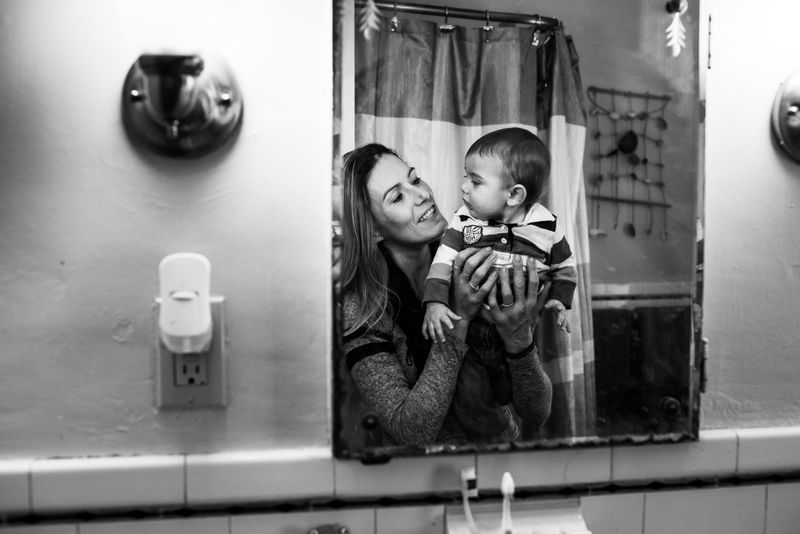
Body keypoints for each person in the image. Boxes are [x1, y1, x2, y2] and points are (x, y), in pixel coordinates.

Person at [339, 143, 552, 447]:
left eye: (415, 179)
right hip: (422, 470)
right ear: (373, 229)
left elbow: (537, 412)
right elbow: (411, 432)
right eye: (397, 197)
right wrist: (459, 317)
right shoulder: (362, 308)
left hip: (498, 451)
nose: (422, 194)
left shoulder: (474, 258)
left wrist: (519, 339)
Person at [422, 127, 577, 408]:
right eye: (465, 177)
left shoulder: (547, 226)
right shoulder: (464, 220)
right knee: (469, 390)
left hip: (522, 326)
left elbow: (564, 266)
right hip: (473, 327)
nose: (464, 187)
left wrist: (560, 299)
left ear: (514, 195)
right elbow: (442, 261)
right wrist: (435, 303)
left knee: (513, 390)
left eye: (475, 181)